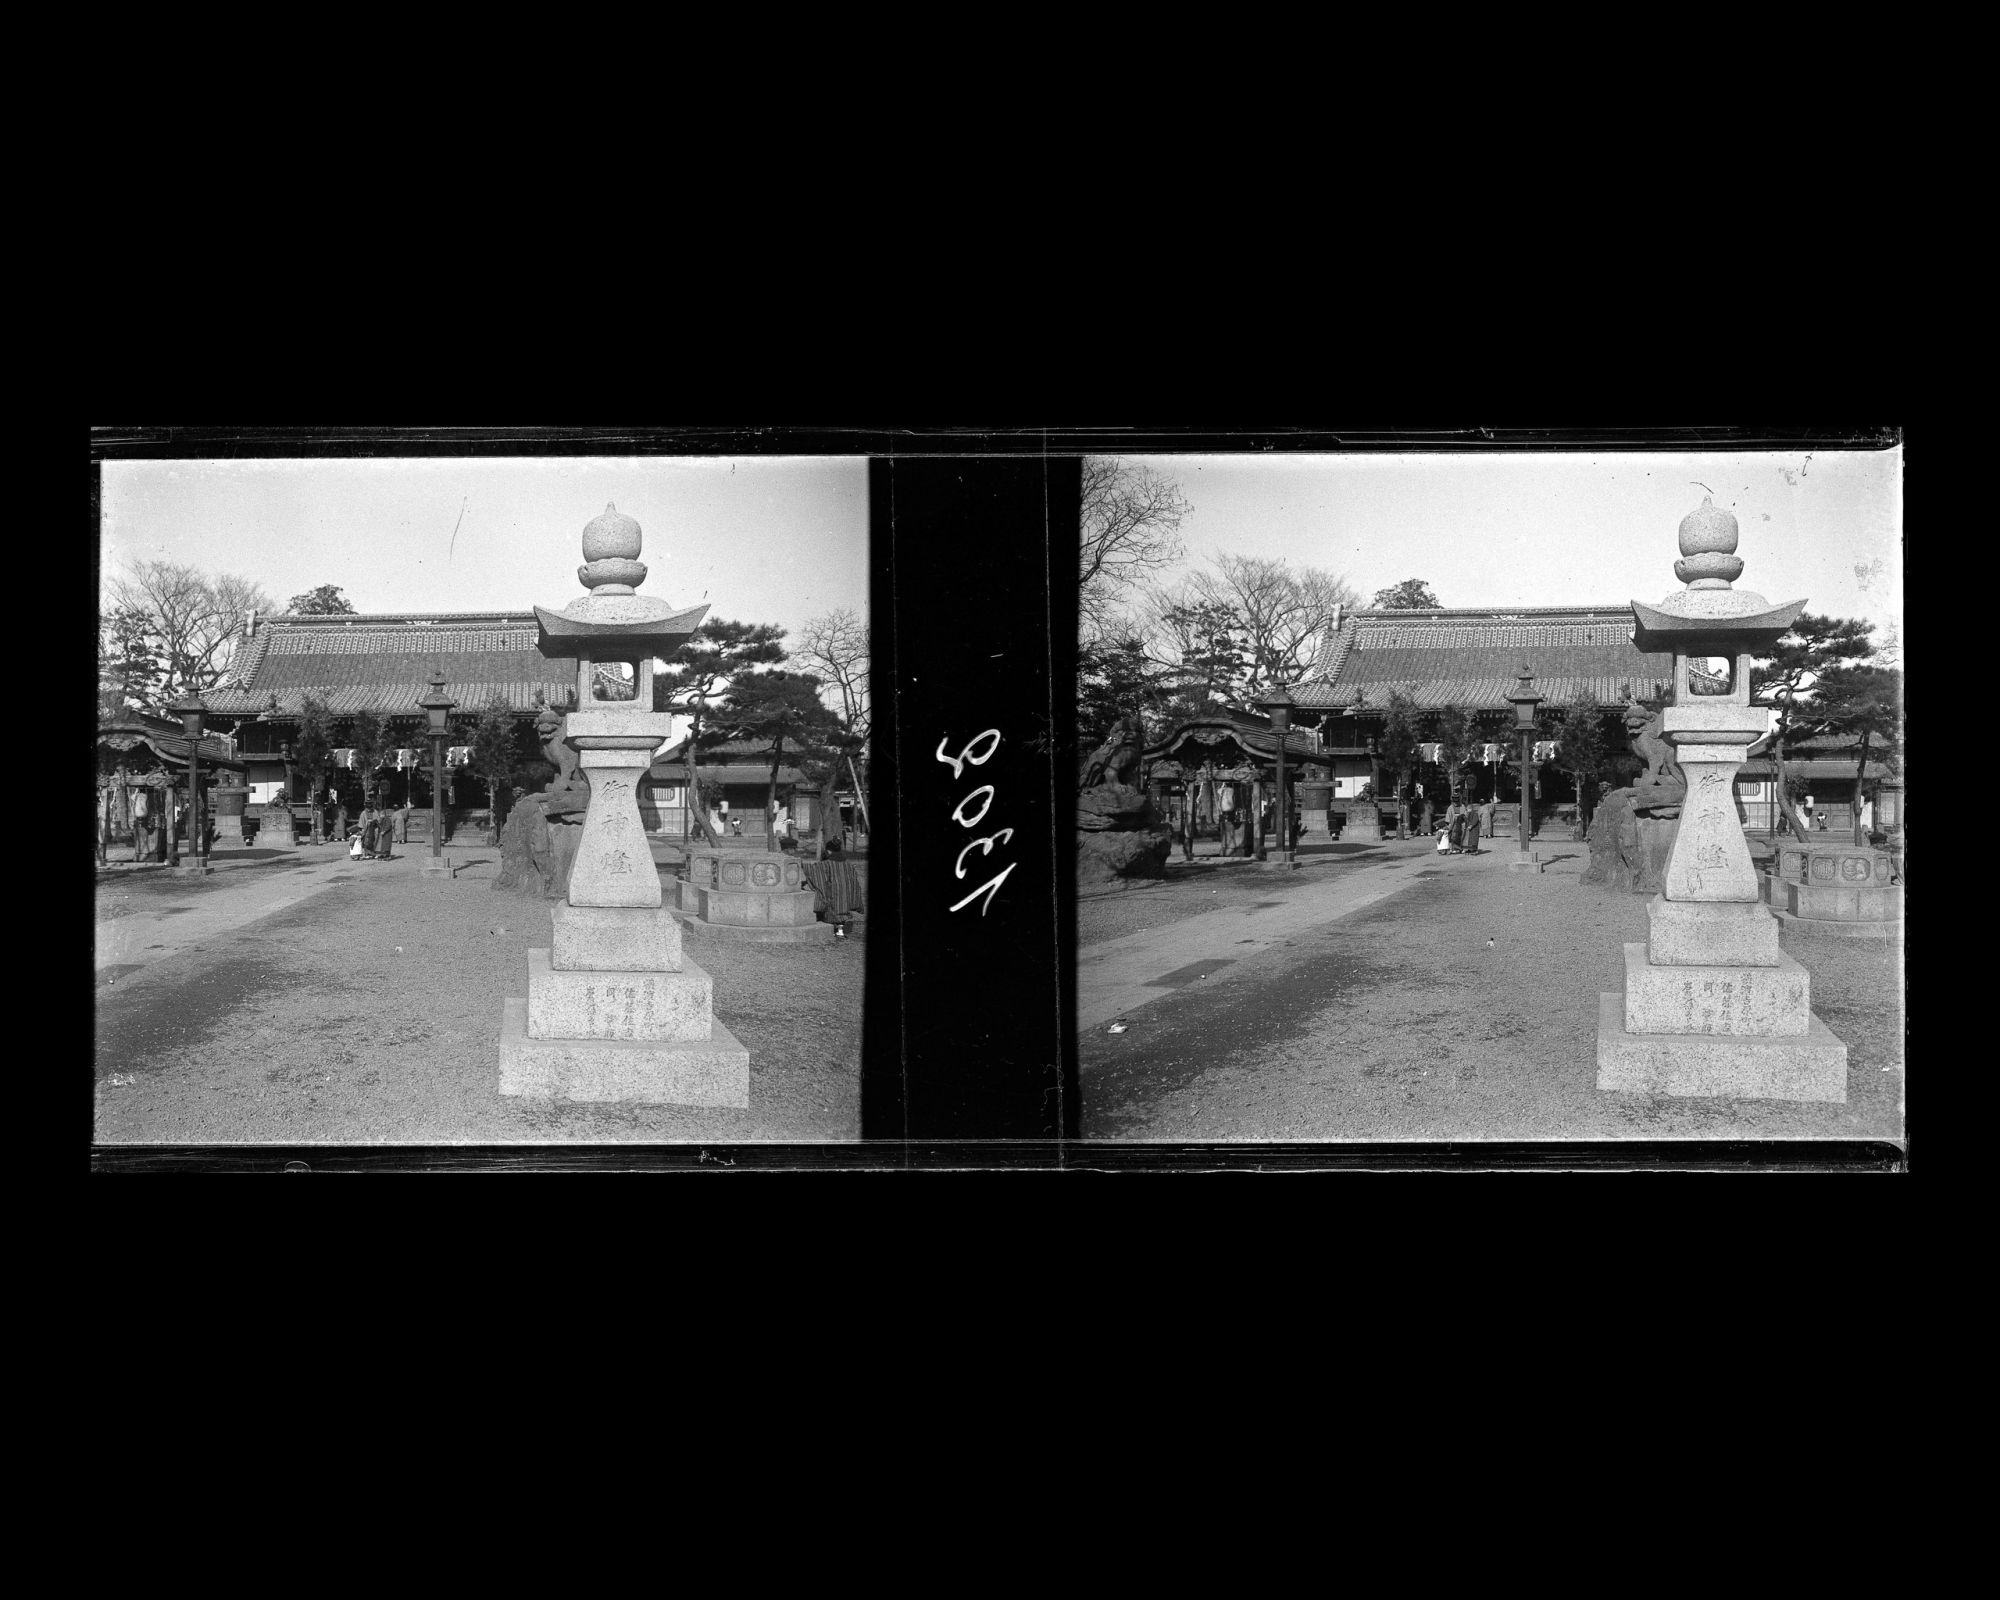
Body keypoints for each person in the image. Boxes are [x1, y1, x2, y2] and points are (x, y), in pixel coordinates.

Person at [130, 784, 153, 864]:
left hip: (139, 813)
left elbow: (132, 798)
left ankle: (141, 852)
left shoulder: (136, 796)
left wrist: (136, 791)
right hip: (144, 813)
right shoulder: (145, 796)